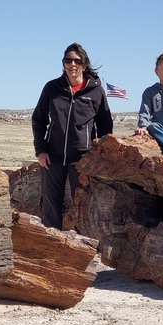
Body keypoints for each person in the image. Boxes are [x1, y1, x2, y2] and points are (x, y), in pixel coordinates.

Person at [31, 42, 113, 230]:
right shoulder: (52, 88)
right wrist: (41, 150)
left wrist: (99, 156)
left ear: (84, 64)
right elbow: (39, 120)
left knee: (82, 204)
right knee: (51, 203)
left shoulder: (96, 91)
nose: (72, 64)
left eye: (77, 60)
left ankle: (81, 245)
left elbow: (105, 126)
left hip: (82, 159)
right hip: (53, 157)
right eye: (68, 60)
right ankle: (52, 246)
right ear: (64, 63)